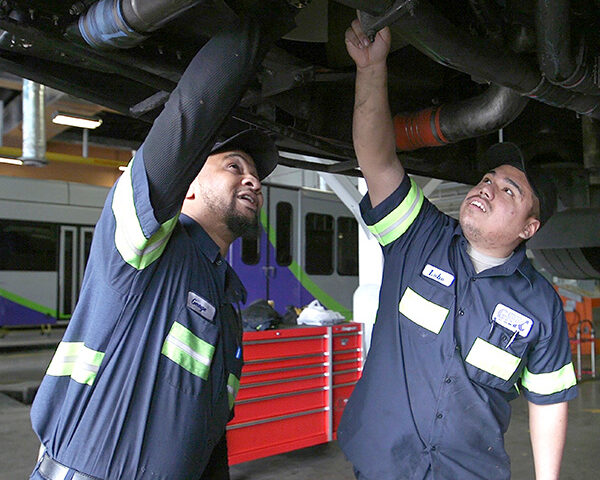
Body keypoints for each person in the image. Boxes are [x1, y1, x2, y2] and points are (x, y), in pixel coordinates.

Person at [29, 17, 280, 480]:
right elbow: (187, 121)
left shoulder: (227, 297)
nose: (252, 179)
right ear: (185, 185)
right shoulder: (143, 250)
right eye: (233, 165)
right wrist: (254, 22)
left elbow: (207, 432)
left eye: (257, 175)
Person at [337, 18, 578, 480]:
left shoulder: (541, 304)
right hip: (381, 468)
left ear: (529, 228)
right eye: (487, 179)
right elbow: (377, 159)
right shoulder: (418, 235)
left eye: (509, 190)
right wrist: (371, 68)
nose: (487, 188)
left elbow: (548, 403)